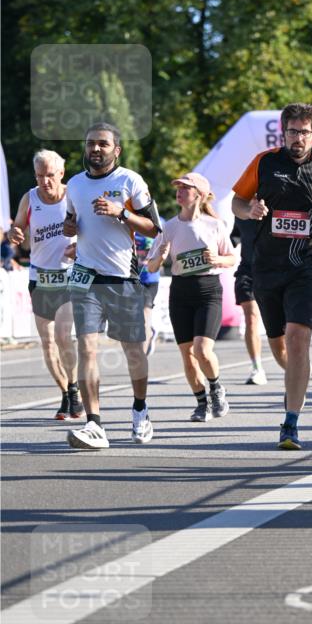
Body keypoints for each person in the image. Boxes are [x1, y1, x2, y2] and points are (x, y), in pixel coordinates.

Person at [232, 103, 312, 450]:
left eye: (304, 132)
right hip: (268, 265)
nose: (298, 138)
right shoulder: (265, 162)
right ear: (283, 132)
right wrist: (250, 209)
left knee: (296, 338)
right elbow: (237, 201)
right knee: (280, 345)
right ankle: (298, 377)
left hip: (310, 261)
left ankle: (290, 423)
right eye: (292, 131)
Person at [63, 124, 161, 449]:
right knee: (86, 348)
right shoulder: (74, 185)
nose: (96, 149)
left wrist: (122, 214)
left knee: (132, 350)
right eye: (91, 143)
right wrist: (69, 228)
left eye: (103, 144)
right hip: (85, 278)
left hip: (122, 278)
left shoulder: (129, 181)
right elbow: (71, 224)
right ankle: (95, 424)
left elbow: (153, 227)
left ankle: (140, 409)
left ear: (116, 150)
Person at [146, 172, 236, 421]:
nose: (179, 191)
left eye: (186, 188)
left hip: (208, 290)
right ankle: (201, 403)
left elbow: (231, 258)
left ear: (199, 195)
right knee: (187, 354)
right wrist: (160, 257)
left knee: (202, 350)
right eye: (178, 187)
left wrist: (217, 259)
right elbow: (151, 267)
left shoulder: (214, 225)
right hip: (180, 292)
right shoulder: (169, 228)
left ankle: (216, 388)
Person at [8, 149, 83, 420]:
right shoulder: (30, 198)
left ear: (61, 174)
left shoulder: (74, 197)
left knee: (63, 337)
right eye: (40, 175)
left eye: (50, 175)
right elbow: (16, 229)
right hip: (40, 279)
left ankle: (74, 388)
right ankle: (66, 393)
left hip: (68, 278)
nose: (45, 181)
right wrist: (14, 233)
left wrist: (79, 246)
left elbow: (91, 230)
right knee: (48, 343)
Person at [233, 218, 268, 385]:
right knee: (251, 317)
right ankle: (257, 367)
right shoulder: (241, 212)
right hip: (247, 272)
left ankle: (294, 362)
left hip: (274, 272)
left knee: (281, 327)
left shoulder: (277, 207)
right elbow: (232, 239)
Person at [135, 228, 161, 356]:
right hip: (130, 279)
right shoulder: (125, 222)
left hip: (149, 279)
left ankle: (142, 357)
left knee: (145, 315)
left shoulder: (159, 222)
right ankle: (149, 331)